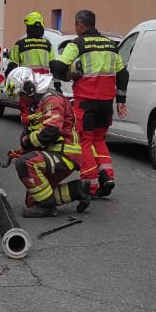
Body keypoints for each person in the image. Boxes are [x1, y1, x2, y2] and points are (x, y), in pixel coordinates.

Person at [49, 10, 128, 198]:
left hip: (86, 102)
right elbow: (123, 74)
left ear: (80, 25)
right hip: (106, 103)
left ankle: (89, 185)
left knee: (83, 141)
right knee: (98, 140)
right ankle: (107, 176)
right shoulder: (110, 45)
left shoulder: (77, 44)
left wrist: (56, 68)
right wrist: (121, 100)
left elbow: (61, 66)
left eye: (75, 25)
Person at [3, 67, 90, 217]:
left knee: (26, 163)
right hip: (54, 153)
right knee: (32, 201)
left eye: (21, 95)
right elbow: (38, 133)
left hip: (64, 154)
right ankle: (77, 189)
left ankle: (47, 207)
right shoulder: (38, 103)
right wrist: (23, 148)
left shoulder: (51, 100)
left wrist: (27, 143)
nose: (20, 100)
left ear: (29, 88)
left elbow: (51, 130)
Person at [7, 12, 54, 123]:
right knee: (44, 114)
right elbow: (53, 66)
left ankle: (28, 132)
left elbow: (12, 67)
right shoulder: (48, 45)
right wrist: (57, 85)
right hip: (44, 86)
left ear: (28, 27)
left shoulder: (20, 44)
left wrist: (9, 85)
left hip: (27, 87)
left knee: (26, 114)